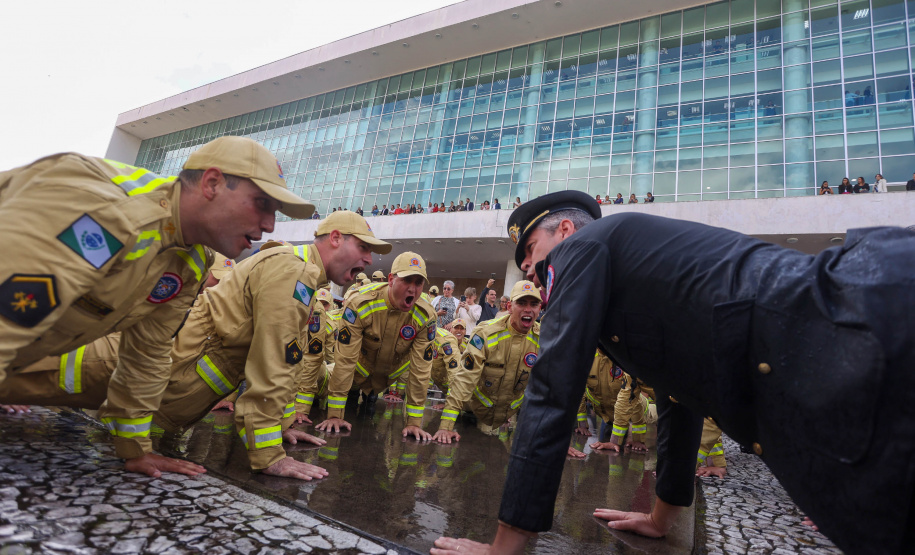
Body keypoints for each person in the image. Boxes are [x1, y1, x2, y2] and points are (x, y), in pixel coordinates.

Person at [433, 190, 915, 555]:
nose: (530, 273)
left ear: (563, 232)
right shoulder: (625, 275)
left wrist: (505, 545)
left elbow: (553, 390)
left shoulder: (581, 249)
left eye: (532, 253)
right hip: (854, 331)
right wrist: (662, 516)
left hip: (860, 323)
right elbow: (677, 387)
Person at [0, 135, 317, 478]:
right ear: (212, 183)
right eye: (261, 204)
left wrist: (137, 450)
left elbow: (147, 354)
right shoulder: (108, 208)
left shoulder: (191, 259)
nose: (270, 225)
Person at [315, 252, 436, 441]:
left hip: (385, 381)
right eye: (406, 281)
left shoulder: (425, 316)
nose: (412, 289)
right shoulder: (361, 304)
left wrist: (413, 423)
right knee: (323, 385)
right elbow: (345, 361)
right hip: (354, 374)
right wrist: (334, 415)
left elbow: (421, 372)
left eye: (418, 283)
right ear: (391, 279)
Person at [432, 281, 541, 442]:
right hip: (474, 412)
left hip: (508, 419)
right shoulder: (486, 333)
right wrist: (446, 427)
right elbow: (464, 379)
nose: (528, 309)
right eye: (522, 303)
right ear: (510, 307)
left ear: (540, 308)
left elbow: (549, 389)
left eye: (534, 304)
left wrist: (557, 441)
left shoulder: (543, 339)